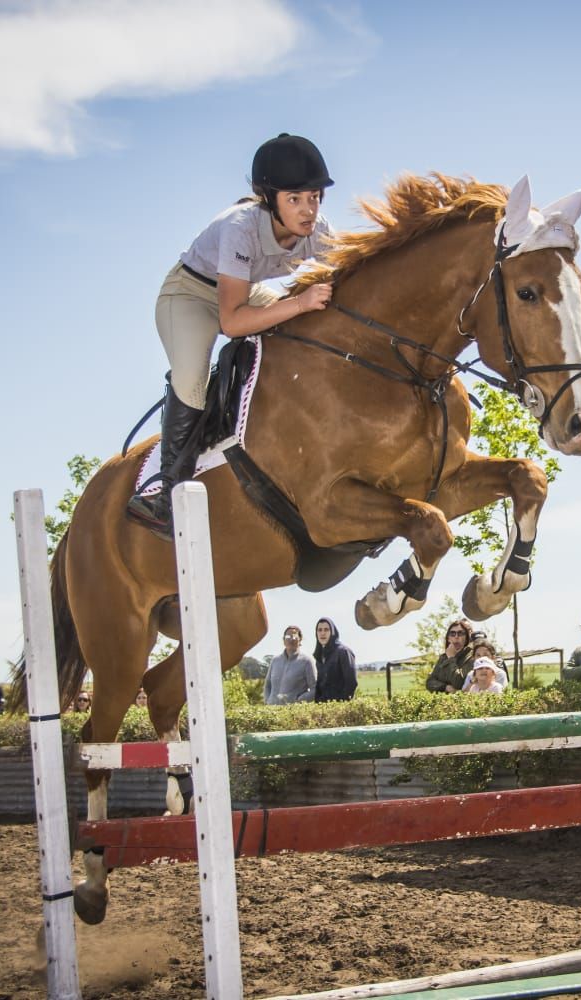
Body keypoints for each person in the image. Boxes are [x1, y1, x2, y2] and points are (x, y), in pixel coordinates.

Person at [127, 133, 337, 536]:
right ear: (268, 198)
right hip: (189, 296)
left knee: (303, 325)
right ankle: (165, 491)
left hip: (241, 291)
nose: (308, 210)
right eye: (295, 199)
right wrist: (298, 303)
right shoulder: (240, 227)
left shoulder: (318, 229)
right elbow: (233, 322)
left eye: (314, 197)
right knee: (192, 379)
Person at [265, 625, 317, 705]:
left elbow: (315, 689)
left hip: (292, 714)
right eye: (288, 636)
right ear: (283, 640)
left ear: (300, 640)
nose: (291, 639)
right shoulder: (275, 661)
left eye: (295, 636)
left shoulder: (306, 661)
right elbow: (268, 684)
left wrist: (298, 700)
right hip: (271, 712)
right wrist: (267, 700)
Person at [313, 617, 358, 701]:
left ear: (332, 632)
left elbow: (351, 683)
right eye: (319, 630)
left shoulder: (343, 652)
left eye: (326, 630)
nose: (322, 633)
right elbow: (319, 685)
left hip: (339, 709)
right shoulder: (319, 656)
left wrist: (340, 704)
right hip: (322, 709)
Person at [425, 619, 475, 693]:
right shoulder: (443, 657)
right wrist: (445, 687)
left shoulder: (472, 656)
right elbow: (430, 682)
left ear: (466, 638)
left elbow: (459, 683)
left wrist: (451, 658)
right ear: (448, 638)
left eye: (460, 633)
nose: (456, 636)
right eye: (452, 633)